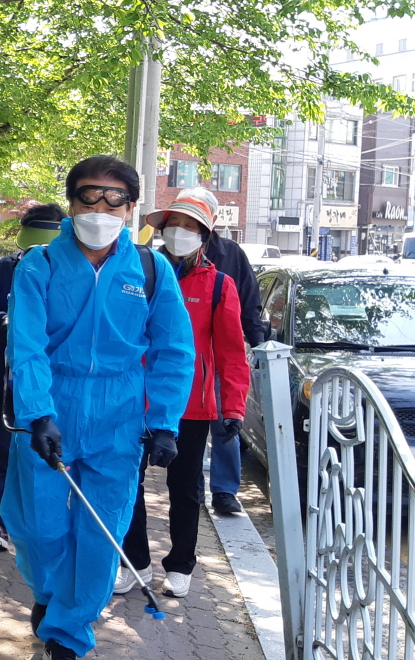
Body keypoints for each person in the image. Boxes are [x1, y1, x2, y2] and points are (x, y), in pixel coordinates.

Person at [2, 155, 195, 660]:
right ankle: (50, 595)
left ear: (131, 209)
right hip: (50, 407)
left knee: (102, 531)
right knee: (38, 527)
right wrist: (38, 414)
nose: (101, 209)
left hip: (119, 415)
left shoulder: (151, 269)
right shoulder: (39, 264)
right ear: (71, 202)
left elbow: (174, 349)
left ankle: (69, 631)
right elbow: (26, 346)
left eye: (115, 200)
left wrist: (164, 423)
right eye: (90, 196)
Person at [118, 188, 251, 599]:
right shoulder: (139, 273)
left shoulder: (219, 285)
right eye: (173, 224)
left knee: (186, 487)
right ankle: (134, 562)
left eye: (189, 226)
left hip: (192, 405)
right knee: (128, 483)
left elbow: (231, 354)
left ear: (204, 235)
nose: (179, 232)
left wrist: (234, 408)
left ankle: (181, 563)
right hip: (134, 398)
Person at [0, 203, 65, 552]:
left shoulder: (71, 272)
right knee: (0, 448)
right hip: (6, 376)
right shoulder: (4, 267)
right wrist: (7, 321)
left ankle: (40, 524)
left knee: (47, 451)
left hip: (54, 379)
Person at [198, 193, 266, 515]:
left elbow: (250, 303)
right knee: (184, 426)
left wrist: (259, 342)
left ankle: (224, 490)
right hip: (183, 357)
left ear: (213, 220)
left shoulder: (232, 254)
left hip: (221, 355)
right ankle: (190, 486)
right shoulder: (165, 257)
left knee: (226, 423)